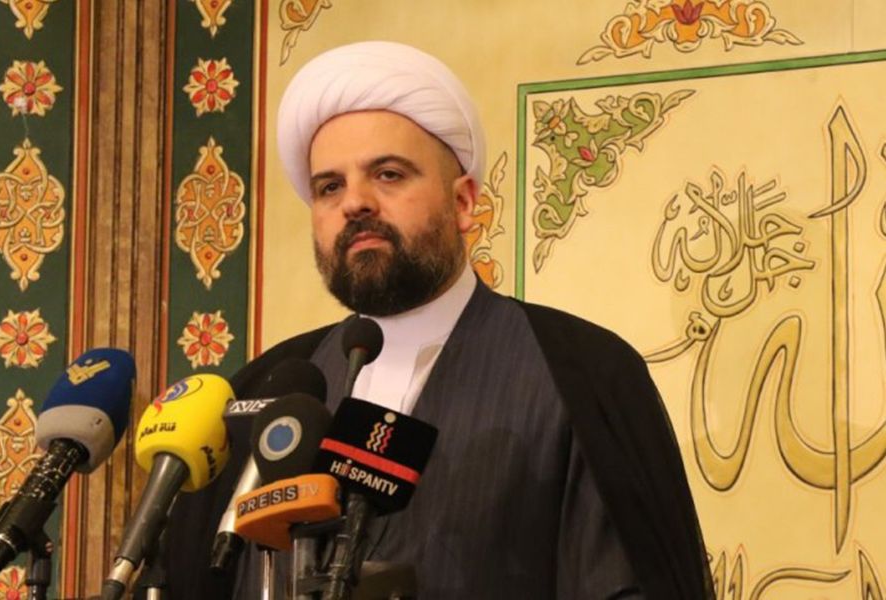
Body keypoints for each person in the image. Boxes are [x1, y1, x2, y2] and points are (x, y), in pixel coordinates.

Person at [164, 41, 713, 599]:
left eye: (388, 174)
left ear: (464, 202)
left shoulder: (582, 372)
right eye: (330, 187)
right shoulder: (268, 388)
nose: (355, 203)